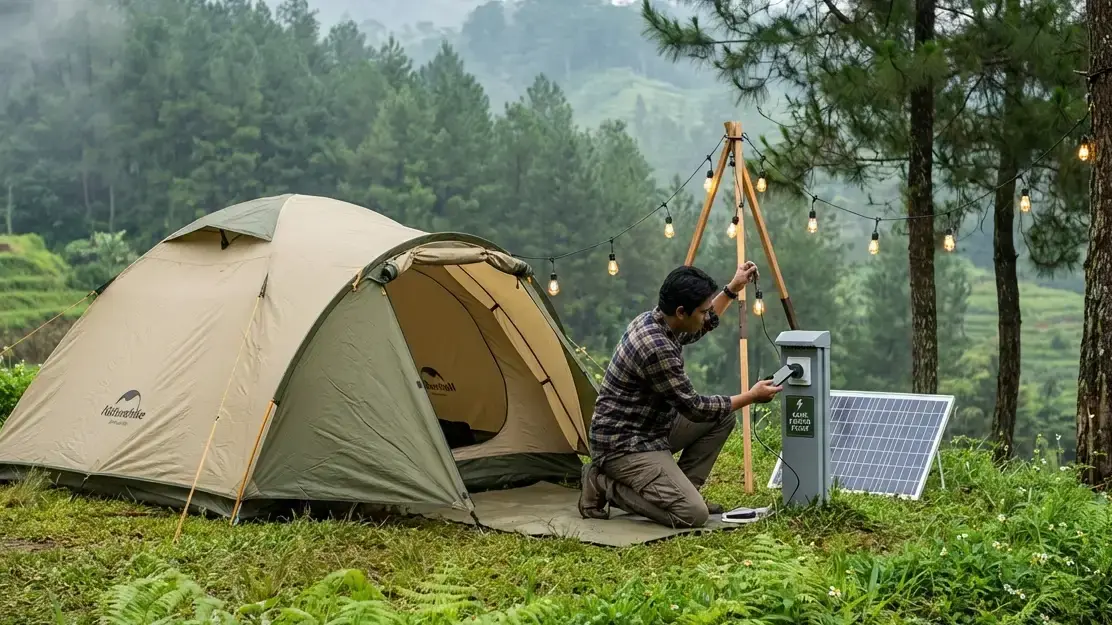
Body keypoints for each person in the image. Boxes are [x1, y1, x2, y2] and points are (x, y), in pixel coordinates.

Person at [578, 262, 783, 528]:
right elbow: (695, 408)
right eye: (703, 310)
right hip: (623, 445)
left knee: (722, 418)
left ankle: (683, 491)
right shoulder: (656, 347)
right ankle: (603, 483)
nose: (707, 315)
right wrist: (751, 396)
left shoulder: (659, 321)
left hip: (651, 428)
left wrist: (733, 289)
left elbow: (700, 326)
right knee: (692, 515)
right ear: (681, 312)